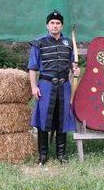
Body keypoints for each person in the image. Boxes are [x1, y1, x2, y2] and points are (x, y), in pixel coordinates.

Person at [28, 10, 80, 164]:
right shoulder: (39, 43)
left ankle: (61, 154)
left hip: (64, 86)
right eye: (52, 23)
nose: (55, 26)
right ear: (47, 25)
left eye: (58, 23)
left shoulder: (68, 44)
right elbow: (32, 68)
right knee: (44, 118)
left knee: (62, 119)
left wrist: (76, 70)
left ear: (62, 26)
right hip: (45, 86)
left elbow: (73, 66)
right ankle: (43, 155)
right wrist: (33, 87)